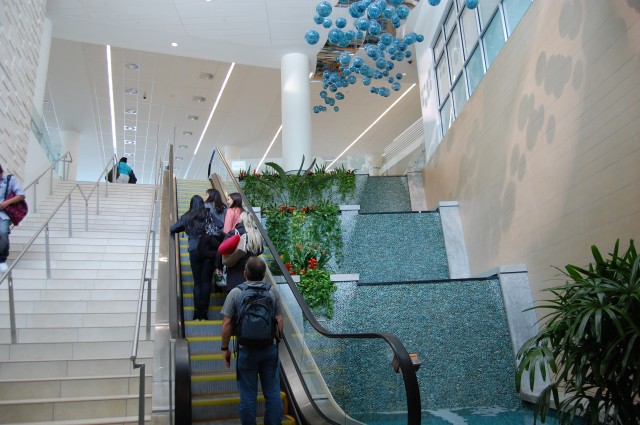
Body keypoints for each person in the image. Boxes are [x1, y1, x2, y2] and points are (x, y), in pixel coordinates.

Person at [220, 256, 284, 425]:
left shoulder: (236, 292)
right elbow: (279, 319)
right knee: (273, 394)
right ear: (263, 274)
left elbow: (227, 323)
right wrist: (276, 340)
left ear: (245, 273)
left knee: (248, 397)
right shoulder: (272, 292)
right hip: (269, 348)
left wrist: (225, 348)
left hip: (246, 350)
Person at [170, 195, 214, 320]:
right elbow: (220, 225)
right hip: (207, 249)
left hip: (194, 249)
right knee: (206, 281)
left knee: (197, 282)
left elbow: (173, 228)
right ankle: (204, 313)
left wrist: (187, 229)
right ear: (202, 204)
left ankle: (196, 313)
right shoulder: (208, 214)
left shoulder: (187, 216)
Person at [216, 211, 263, 292]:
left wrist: (218, 267)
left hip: (235, 274)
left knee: (235, 299)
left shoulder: (234, 233)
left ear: (240, 220)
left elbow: (222, 250)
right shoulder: (256, 234)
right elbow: (260, 250)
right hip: (252, 274)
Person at [0, 165, 26, 273]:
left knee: (3, 232)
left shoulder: (10, 180)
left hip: (3, 213)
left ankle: (1, 259)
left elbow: (21, 195)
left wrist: (6, 202)